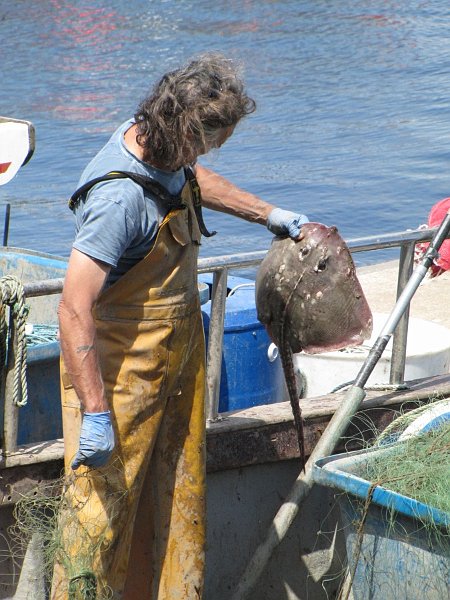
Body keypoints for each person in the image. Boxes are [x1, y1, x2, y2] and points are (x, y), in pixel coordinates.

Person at [52, 52, 308, 600]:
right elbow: (73, 307)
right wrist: (95, 413)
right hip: (115, 384)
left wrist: (267, 213)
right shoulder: (118, 199)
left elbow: (191, 179)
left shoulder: (161, 145)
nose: (207, 155)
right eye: (208, 143)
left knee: (176, 506)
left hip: (176, 363)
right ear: (182, 129)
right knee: (97, 527)